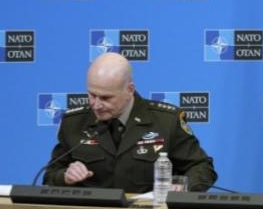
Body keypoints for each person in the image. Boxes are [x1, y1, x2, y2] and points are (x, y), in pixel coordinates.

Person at [44, 52, 217, 192]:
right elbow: (50, 175)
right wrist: (65, 176)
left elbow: (202, 168)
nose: (96, 105)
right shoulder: (73, 122)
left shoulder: (166, 121)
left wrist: (183, 187)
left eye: (105, 98)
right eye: (91, 94)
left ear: (129, 90)